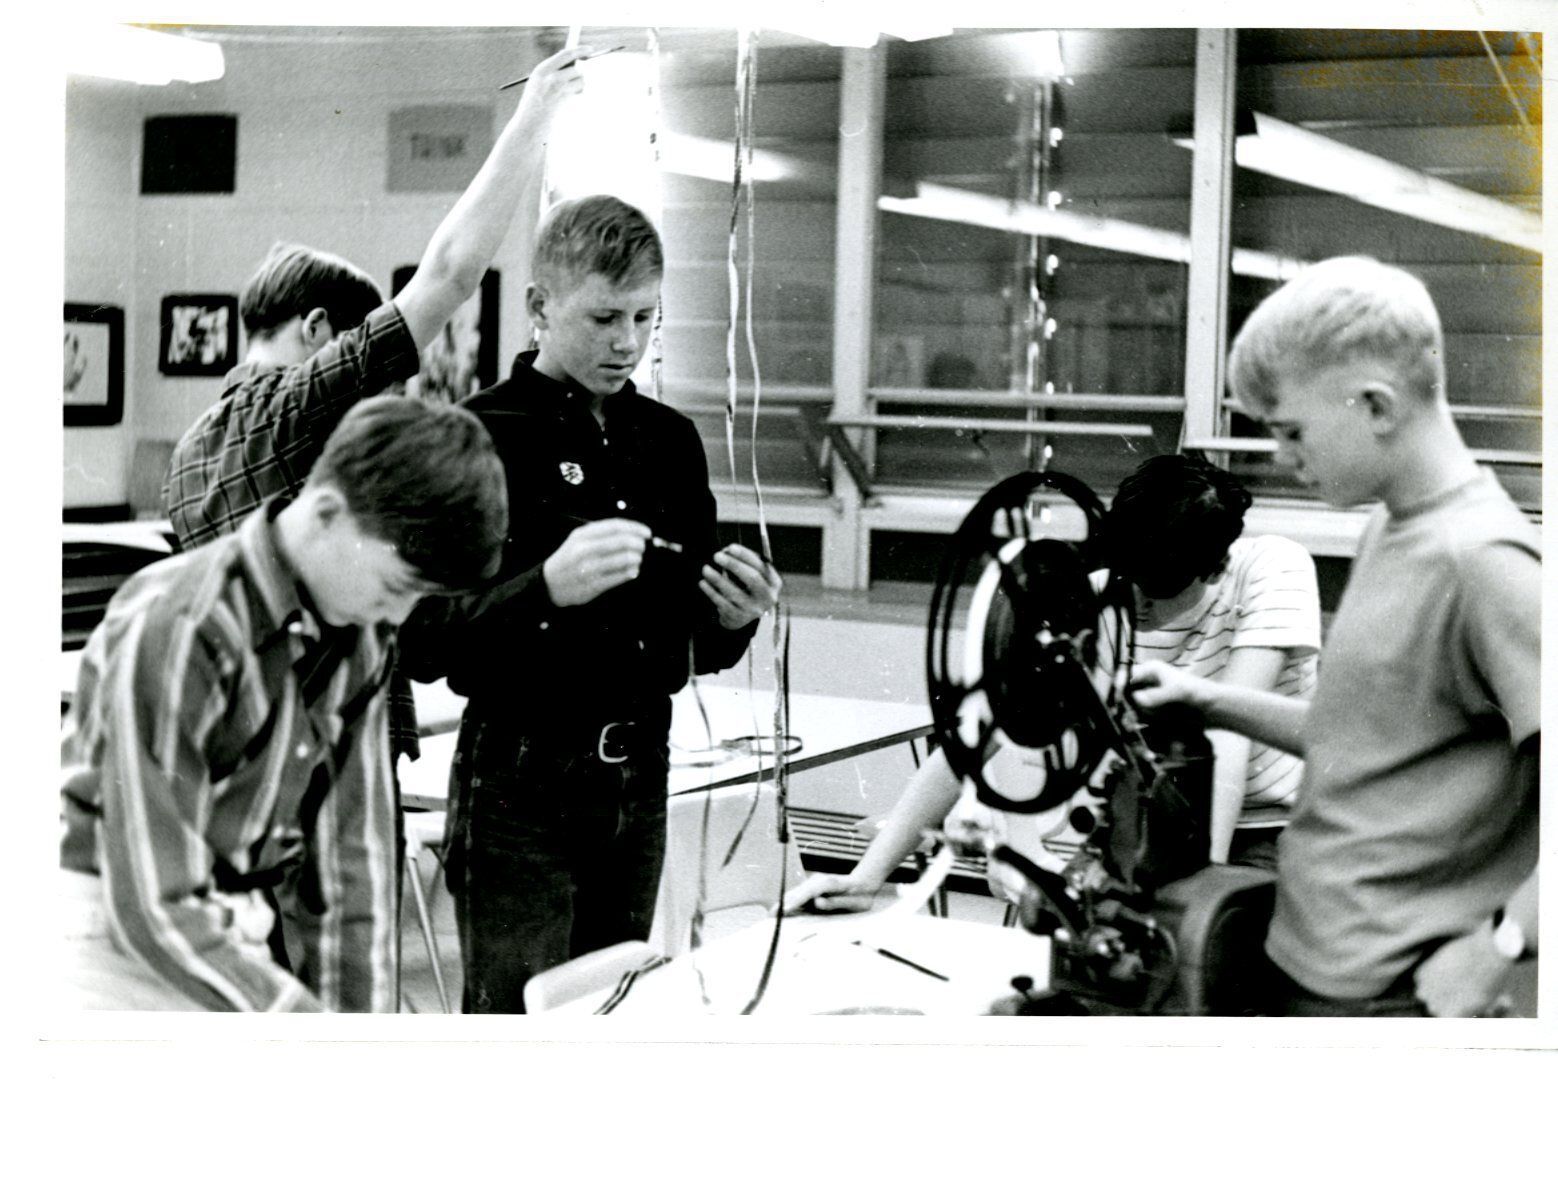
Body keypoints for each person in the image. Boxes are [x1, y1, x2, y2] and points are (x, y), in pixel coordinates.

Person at [398, 194, 782, 1013]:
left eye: (646, 317)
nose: (627, 343)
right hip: (520, 783)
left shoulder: (669, 441)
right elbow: (422, 639)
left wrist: (732, 616)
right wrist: (543, 591)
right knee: (518, 1027)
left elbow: (693, 637)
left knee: (615, 1014)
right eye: (604, 317)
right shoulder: (476, 436)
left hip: (641, 778)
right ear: (539, 307)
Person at [1129, 256, 1539, 1017]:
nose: (1284, 458)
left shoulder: (1487, 561)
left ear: (1377, 406)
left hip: (1393, 994)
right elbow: (1359, 738)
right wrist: (1207, 700)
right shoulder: (1389, 529)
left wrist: (1501, 947)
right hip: (1306, 955)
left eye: (1293, 431)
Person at [161, 45, 585, 764]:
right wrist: (535, 114)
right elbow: (449, 275)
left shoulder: (187, 454)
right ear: (316, 329)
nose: (381, 403)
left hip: (234, 727)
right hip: (332, 733)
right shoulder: (296, 405)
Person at [60, 398, 508, 1011]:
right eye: (395, 585)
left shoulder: (359, 635)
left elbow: (353, 872)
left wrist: (359, 1033)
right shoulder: (186, 624)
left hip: (223, 917)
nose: (400, 614)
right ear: (327, 513)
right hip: (105, 934)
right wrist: (300, 1025)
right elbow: (153, 903)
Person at [782, 453, 1321, 916]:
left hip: (1270, 829)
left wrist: (1200, 897)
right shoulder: (1093, 599)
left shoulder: (1271, 568)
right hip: (1146, 825)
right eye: (1129, 580)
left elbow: (1226, 738)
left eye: (1158, 592)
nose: (1138, 606)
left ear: (1215, 568)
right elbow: (973, 737)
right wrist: (867, 876)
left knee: (1213, 951)